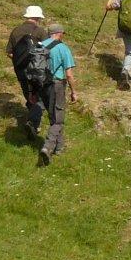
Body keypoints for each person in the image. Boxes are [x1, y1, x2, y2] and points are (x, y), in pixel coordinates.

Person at [6, 5, 48, 137]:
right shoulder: (40, 31)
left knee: (29, 95)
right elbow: (49, 50)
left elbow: (9, 53)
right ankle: (33, 122)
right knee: (40, 97)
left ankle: (33, 124)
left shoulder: (16, 31)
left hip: (20, 70)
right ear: (37, 18)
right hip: (37, 71)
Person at [39, 21, 77, 164]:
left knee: (53, 116)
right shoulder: (62, 48)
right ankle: (47, 147)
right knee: (59, 118)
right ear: (59, 33)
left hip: (42, 85)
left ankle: (59, 148)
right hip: (57, 85)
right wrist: (74, 91)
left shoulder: (40, 45)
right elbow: (69, 74)